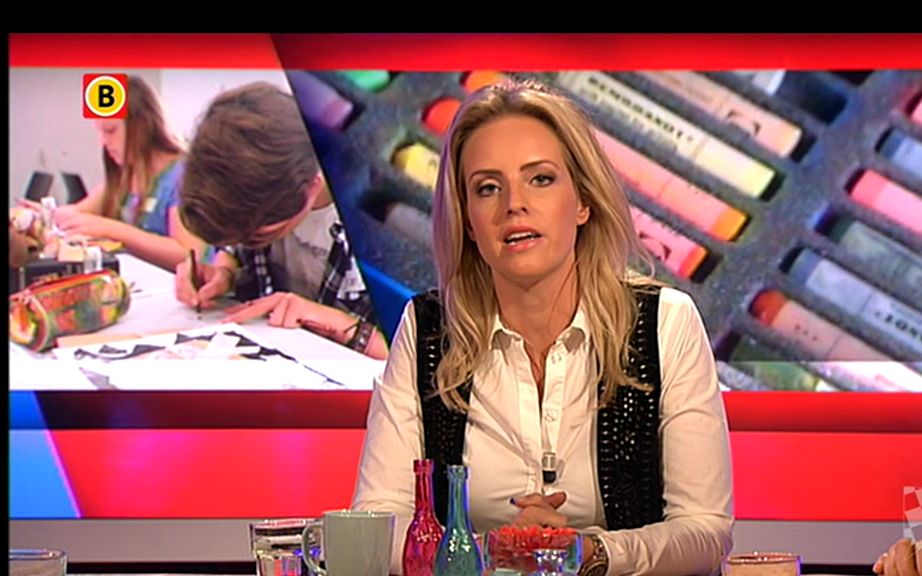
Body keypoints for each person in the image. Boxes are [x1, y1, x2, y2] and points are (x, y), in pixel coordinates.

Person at [351, 79, 733, 575]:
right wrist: (492, 551)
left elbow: (704, 532)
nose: (514, 204)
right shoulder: (428, 331)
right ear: (468, 221)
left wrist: (590, 553)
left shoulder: (665, 322)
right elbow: (375, 525)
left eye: (540, 179)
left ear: (583, 202)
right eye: (488, 188)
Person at [173, 82, 387, 360]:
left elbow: (423, 352)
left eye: (257, 237)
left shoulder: (377, 227)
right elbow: (239, 246)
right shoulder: (264, 195)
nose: (248, 243)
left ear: (311, 187)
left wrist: (338, 324)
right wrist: (225, 272)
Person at [51, 75, 206, 271]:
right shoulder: (127, 174)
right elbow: (78, 214)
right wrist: (48, 215)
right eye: (100, 132)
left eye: (110, 130)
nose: (103, 142)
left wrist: (111, 229)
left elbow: (189, 255)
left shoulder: (183, 175)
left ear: (141, 126)